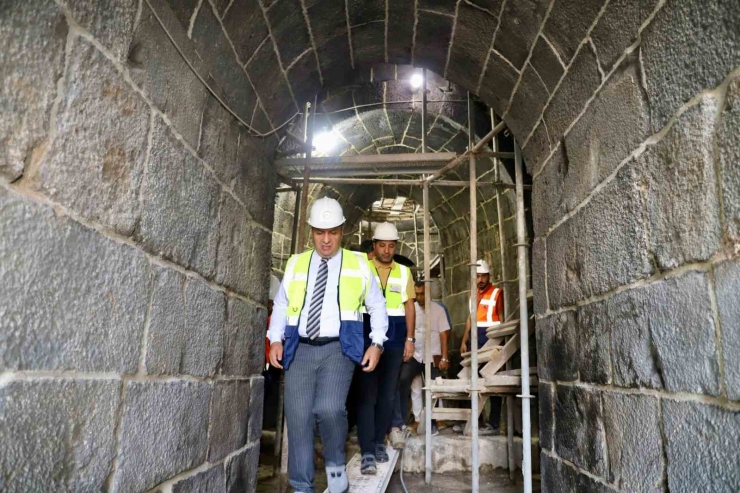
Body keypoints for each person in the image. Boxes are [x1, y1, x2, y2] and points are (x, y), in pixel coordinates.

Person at [268, 197, 388, 493]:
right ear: (311, 231)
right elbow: (282, 305)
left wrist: (377, 343)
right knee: (297, 417)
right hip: (300, 347)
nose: (326, 239)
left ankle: (335, 466)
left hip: (338, 348)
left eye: (332, 232)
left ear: (342, 231)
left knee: (330, 409)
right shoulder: (296, 263)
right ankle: (301, 487)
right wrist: (274, 339)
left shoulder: (358, 264)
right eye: (320, 232)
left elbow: (378, 305)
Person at [356, 222, 416, 475]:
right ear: (374, 246)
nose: (387, 250)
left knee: (387, 392)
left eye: (391, 246)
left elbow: (409, 306)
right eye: (382, 245)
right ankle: (367, 448)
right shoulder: (361, 266)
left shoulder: (403, 272)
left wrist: (410, 339)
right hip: (366, 326)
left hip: (396, 330)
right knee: (367, 392)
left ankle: (379, 442)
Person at [389, 281, 450, 444]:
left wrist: (445, 357)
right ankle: (416, 419)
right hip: (416, 354)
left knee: (436, 386)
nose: (420, 297)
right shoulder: (411, 309)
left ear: (428, 293)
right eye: (417, 294)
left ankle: (438, 418)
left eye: (423, 294)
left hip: (433, 353)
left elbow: (444, 334)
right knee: (410, 383)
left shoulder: (439, 309)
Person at [458, 259, 504, 434]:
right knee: (473, 379)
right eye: (478, 276)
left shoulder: (497, 293)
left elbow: (501, 316)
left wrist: (501, 340)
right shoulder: (472, 295)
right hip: (475, 336)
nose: (481, 280)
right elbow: (471, 318)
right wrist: (464, 340)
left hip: (492, 335)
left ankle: (493, 423)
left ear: (488, 276)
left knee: (493, 379)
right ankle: (476, 420)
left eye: (483, 276)